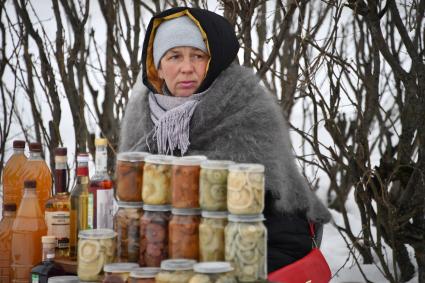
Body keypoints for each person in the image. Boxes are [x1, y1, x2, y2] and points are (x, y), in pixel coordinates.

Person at [119, 7, 331, 272]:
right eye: (174, 56)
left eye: (198, 56)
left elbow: (285, 234)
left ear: (214, 62)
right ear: (158, 68)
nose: (186, 68)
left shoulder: (247, 110)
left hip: (254, 258)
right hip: (164, 262)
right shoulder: (141, 116)